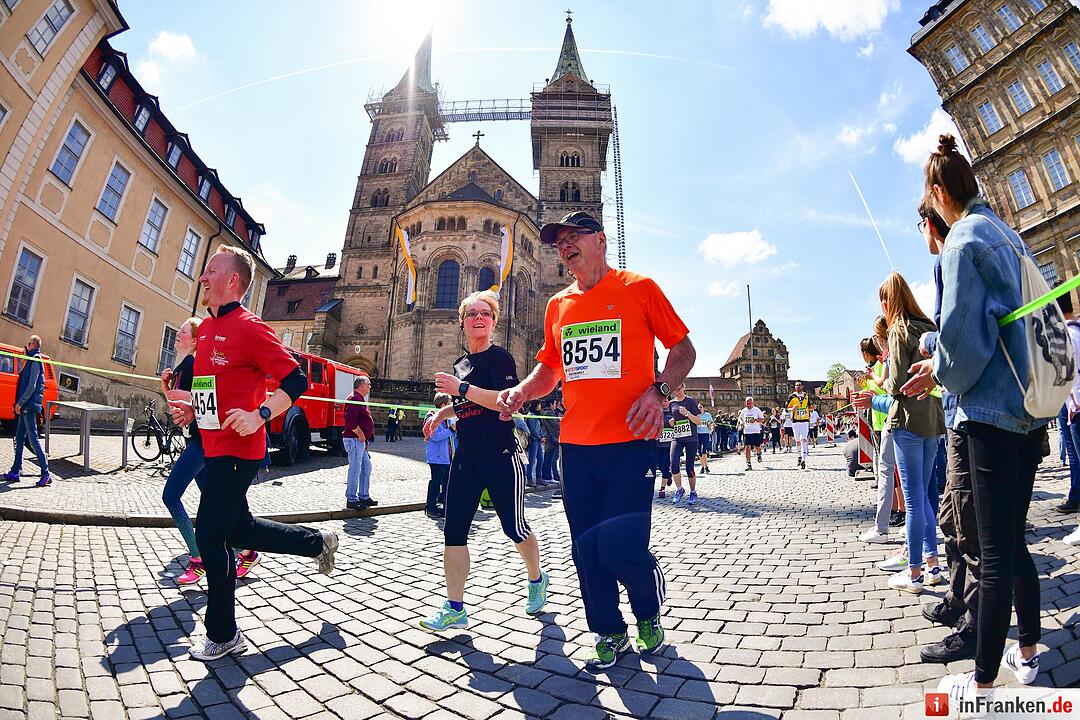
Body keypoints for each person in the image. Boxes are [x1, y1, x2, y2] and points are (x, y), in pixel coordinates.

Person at [496, 211, 695, 671]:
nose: (564, 246)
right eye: (558, 242)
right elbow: (550, 370)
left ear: (601, 240)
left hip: (631, 442)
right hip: (577, 447)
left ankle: (648, 610)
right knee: (586, 549)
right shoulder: (557, 306)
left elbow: (683, 349)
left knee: (622, 547)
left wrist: (659, 390)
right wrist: (523, 390)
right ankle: (609, 632)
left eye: (573, 237)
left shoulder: (639, 288)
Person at [902, 135, 1050, 697]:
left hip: (986, 411)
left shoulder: (963, 238)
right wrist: (938, 358)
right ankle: (1029, 652)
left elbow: (964, 348)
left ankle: (984, 683)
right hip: (1026, 406)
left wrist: (937, 365)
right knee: (1012, 542)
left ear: (939, 193)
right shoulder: (1005, 234)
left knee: (989, 552)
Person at [169, 247, 338, 661]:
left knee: (210, 533)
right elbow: (214, 388)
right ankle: (318, 542)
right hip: (211, 443)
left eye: (212, 270)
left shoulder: (250, 327)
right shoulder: (206, 329)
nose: (203, 276)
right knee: (239, 530)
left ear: (233, 281)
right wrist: (194, 408)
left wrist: (261, 413)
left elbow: (295, 378)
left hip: (241, 449)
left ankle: (223, 634)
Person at [419, 290, 548, 632]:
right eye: (471, 313)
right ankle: (455, 607)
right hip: (465, 456)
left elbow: (504, 403)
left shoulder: (500, 358)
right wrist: (442, 412)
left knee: (514, 527)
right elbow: (467, 406)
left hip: (500, 456)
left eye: (485, 313)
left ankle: (536, 578)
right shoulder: (461, 364)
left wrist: (459, 390)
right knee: (453, 531)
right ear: (462, 322)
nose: (478, 317)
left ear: (493, 322)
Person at [878, 272, 946, 595]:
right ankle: (933, 564)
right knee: (926, 495)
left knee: (914, 500)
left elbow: (897, 383)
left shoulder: (898, 330)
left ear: (889, 302)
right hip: (934, 421)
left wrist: (883, 382)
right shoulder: (929, 328)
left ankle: (915, 572)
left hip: (907, 422)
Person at [856, 336, 897, 544]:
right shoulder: (877, 365)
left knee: (890, 471)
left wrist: (872, 384)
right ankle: (893, 511)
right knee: (889, 471)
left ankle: (891, 516)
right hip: (880, 419)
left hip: (886, 419)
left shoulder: (883, 364)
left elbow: (886, 388)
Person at [3, 335, 51, 487]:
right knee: (19, 437)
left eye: (29, 343)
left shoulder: (36, 360)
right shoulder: (29, 360)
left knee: (33, 439)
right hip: (25, 405)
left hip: (29, 406)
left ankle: (46, 473)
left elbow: (31, 386)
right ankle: (15, 471)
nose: (27, 345)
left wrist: (20, 403)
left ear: (33, 345)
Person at [343, 375, 376, 510]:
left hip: (360, 441)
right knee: (355, 469)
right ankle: (351, 498)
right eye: (368, 384)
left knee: (366, 467)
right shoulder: (354, 398)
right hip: (355, 439)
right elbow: (350, 420)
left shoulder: (359, 399)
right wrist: (361, 434)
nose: (370, 387)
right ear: (361, 385)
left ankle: (363, 496)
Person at [667, 383, 701, 505]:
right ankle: (679, 489)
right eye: (675, 389)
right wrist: (672, 421)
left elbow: (698, 421)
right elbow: (673, 419)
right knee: (673, 464)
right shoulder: (672, 403)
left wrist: (687, 414)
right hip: (677, 438)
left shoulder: (690, 401)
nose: (678, 390)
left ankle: (693, 492)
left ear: (684, 387)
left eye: (680, 388)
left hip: (691, 439)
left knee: (689, 467)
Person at [424, 392, 455, 519]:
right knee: (435, 483)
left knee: (446, 483)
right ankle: (430, 507)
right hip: (437, 457)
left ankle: (442, 505)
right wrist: (452, 429)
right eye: (449, 404)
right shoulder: (432, 417)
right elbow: (435, 436)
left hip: (446, 457)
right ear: (443, 405)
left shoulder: (446, 419)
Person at [786, 381, 812, 469]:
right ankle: (799, 456)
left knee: (803, 439)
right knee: (797, 440)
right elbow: (786, 409)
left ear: (803, 386)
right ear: (795, 387)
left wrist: (812, 408)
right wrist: (792, 408)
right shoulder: (792, 397)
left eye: (800, 385)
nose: (798, 387)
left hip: (805, 420)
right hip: (795, 421)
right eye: (797, 385)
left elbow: (810, 406)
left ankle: (804, 460)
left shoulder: (806, 396)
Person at [738, 397, 765, 471]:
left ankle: (759, 454)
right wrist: (741, 422)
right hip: (747, 431)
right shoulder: (744, 410)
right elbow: (740, 418)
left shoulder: (757, 410)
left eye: (749, 403)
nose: (748, 405)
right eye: (747, 403)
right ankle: (748, 463)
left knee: (757, 446)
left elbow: (762, 419)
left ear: (752, 403)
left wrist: (755, 420)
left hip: (756, 431)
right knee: (747, 447)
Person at [540, 399, 562, 483]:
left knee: (550, 458)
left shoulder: (549, 412)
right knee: (550, 458)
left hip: (551, 438)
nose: (556, 405)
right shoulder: (548, 413)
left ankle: (548, 476)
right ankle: (548, 477)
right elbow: (556, 425)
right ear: (551, 404)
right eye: (555, 403)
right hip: (552, 438)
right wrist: (560, 421)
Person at [656, 397, 674, 499]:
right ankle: (668, 475)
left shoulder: (673, 412)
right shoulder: (656, 411)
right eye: (662, 400)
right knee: (660, 465)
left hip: (669, 444)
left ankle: (662, 489)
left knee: (666, 465)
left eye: (666, 400)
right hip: (658, 443)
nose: (664, 402)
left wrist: (674, 423)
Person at [525, 403, 545, 487]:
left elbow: (539, 428)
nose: (540, 406)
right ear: (536, 406)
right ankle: (529, 479)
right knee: (531, 460)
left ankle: (539, 478)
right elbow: (532, 430)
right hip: (533, 441)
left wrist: (541, 436)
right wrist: (539, 437)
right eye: (539, 405)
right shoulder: (531, 416)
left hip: (538, 440)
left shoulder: (536, 415)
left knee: (540, 459)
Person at [696, 404, 712, 474]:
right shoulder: (696, 415)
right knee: (699, 451)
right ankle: (702, 467)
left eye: (701, 407)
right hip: (698, 434)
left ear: (703, 408)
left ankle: (706, 466)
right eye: (698, 407)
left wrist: (709, 424)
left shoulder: (708, 415)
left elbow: (711, 422)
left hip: (705, 434)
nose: (699, 408)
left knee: (704, 451)